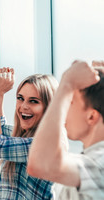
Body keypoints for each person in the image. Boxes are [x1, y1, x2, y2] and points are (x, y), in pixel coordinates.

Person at [27, 60, 104, 199]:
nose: (65, 110)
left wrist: (67, 84)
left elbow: (41, 164)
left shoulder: (100, 161)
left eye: (71, 102)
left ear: (92, 116)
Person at [0, 67, 58, 199]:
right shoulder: (26, 136)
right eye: (20, 98)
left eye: (33, 101)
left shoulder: (45, 144)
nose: (23, 106)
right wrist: (0, 92)